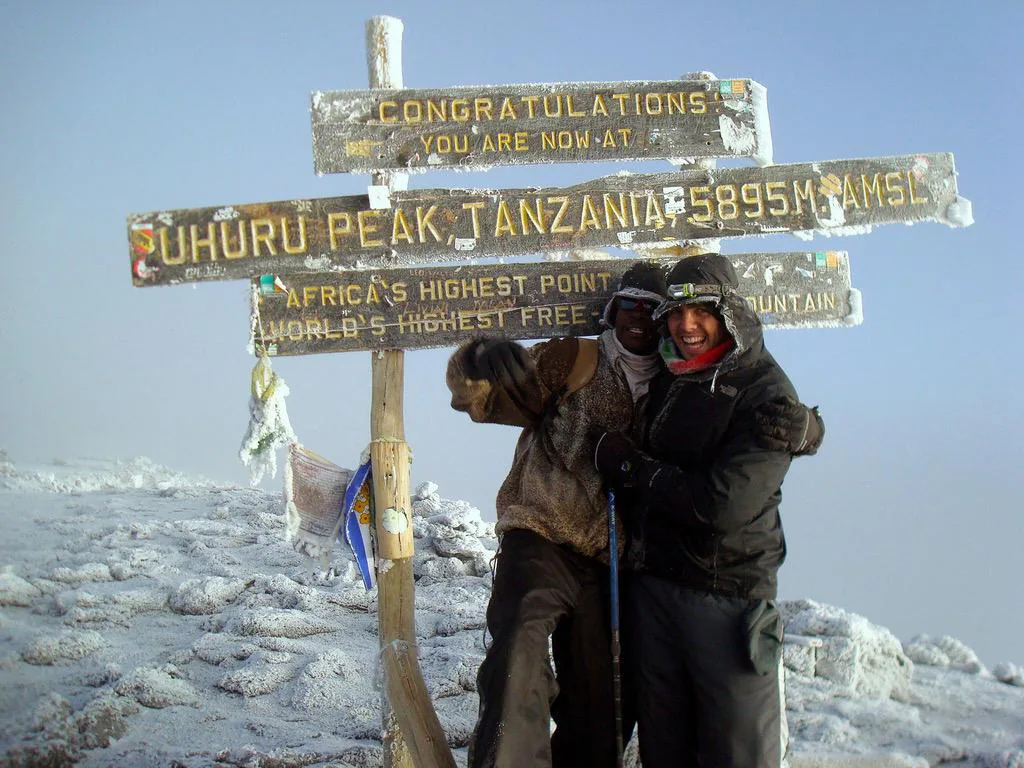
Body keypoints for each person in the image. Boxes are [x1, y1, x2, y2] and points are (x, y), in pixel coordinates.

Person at [446, 260, 821, 768]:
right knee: (519, 651)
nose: (642, 320)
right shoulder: (576, 359)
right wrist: (480, 364)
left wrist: (809, 429)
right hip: (546, 535)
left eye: (652, 309)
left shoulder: (681, 374)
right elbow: (485, 400)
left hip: (622, 562)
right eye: (630, 306)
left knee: (606, 705)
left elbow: (751, 421)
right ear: (612, 310)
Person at [594, 253, 819, 767]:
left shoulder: (767, 393)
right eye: (675, 313)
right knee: (664, 748)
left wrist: (632, 469)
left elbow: (721, 504)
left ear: (730, 313)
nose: (686, 324)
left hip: (727, 597)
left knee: (735, 751)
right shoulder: (674, 370)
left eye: (701, 312)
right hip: (656, 589)